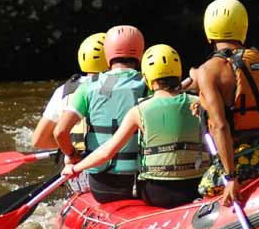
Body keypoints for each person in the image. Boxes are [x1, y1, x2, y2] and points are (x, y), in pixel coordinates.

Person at [61, 44, 210, 208]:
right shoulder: (200, 103)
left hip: (156, 192)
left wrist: (76, 168)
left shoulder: (139, 111)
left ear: (146, 77)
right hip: (196, 187)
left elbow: (106, 151)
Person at [191, 0, 259, 206]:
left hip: (244, 162)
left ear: (209, 30)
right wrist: (204, 107)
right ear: (242, 27)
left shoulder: (209, 70)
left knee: (203, 187)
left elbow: (220, 125)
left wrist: (231, 178)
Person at [54, 25, 147, 203]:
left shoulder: (91, 87)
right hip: (142, 182)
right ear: (140, 53)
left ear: (108, 54)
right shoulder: (147, 84)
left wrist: (72, 155)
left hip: (102, 185)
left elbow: (59, 132)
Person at [31, 32, 107, 151]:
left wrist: (68, 146)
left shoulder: (64, 90)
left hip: (73, 160)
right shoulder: (120, 87)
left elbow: (39, 140)